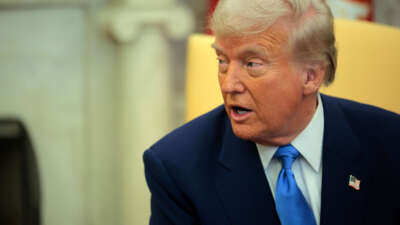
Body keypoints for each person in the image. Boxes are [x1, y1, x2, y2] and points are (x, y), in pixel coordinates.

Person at [143, 0, 400, 224]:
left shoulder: (390, 142)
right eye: (222, 61)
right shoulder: (177, 167)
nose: (228, 84)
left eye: (252, 64)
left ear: (310, 76)